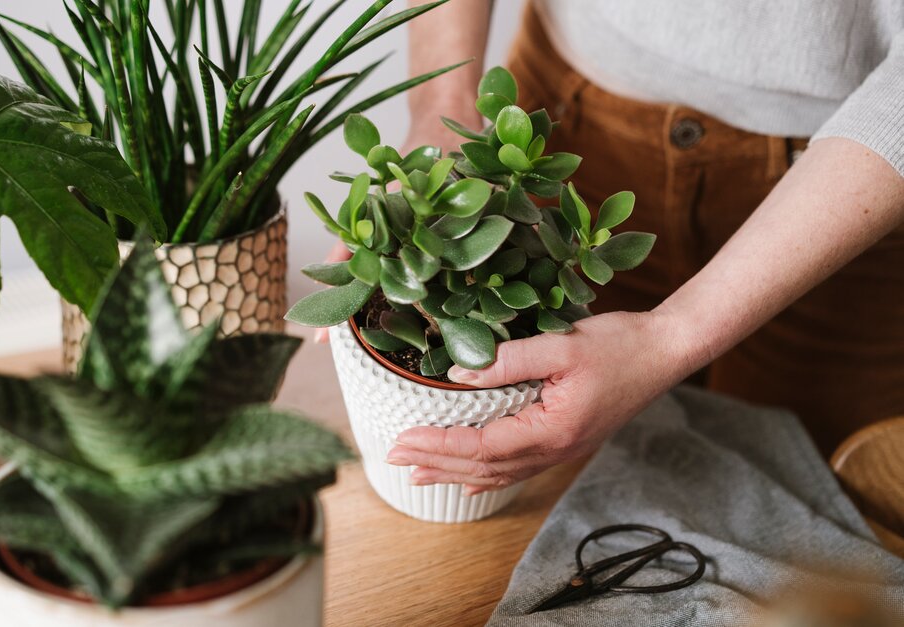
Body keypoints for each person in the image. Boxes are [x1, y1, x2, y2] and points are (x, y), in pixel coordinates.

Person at [322, 0, 904, 496]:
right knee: (556, 487)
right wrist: (440, 115)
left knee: (799, 498)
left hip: (849, 191)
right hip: (567, 113)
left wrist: (670, 335)